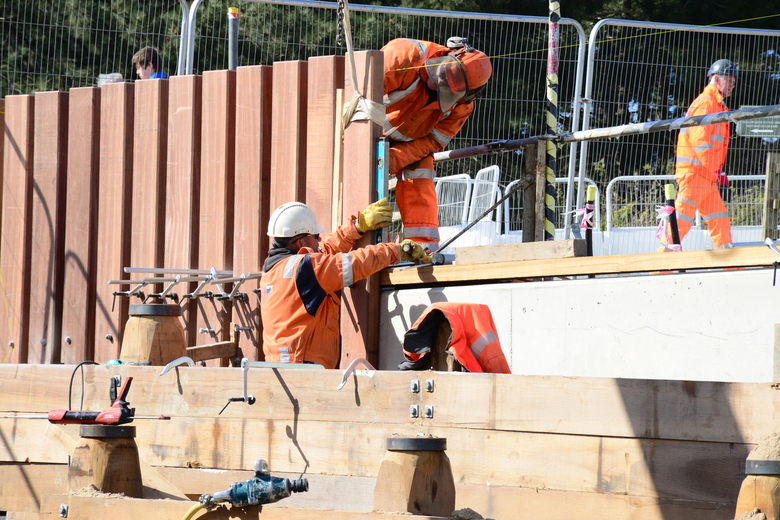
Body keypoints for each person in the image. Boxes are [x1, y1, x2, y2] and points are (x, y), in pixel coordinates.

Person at [259, 199, 429, 369]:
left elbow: (323, 252)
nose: (320, 240)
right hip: (304, 368)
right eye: (316, 236)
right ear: (300, 243)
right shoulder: (305, 268)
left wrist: (357, 226)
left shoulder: (275, 268)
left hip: (284, 366)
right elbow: (353, 263)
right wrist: (395, 250)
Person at [382, 36, 492, 250]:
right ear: (452, 53)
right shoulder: (404, 55)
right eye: (444, 74)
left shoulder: (461, 107)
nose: (439, 81)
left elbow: (434, 141)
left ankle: (421, 245)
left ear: (466, 95)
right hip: (361, 131)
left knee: (421, 168)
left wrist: (397, 157)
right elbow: (357, 98)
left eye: (450, 85)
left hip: (402, 144)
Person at [667, 58, 737, 250]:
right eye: (729, 80)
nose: (732, 85)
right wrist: (716, 169)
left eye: (733, 81)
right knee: (681, 220)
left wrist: (716, 171)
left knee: (719, 219)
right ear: (715, 79)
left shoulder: (717, 105)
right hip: (696, 174)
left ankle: (729, 261)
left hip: (705, 176)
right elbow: (700, 141)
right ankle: (662, 259)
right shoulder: (706, 103)